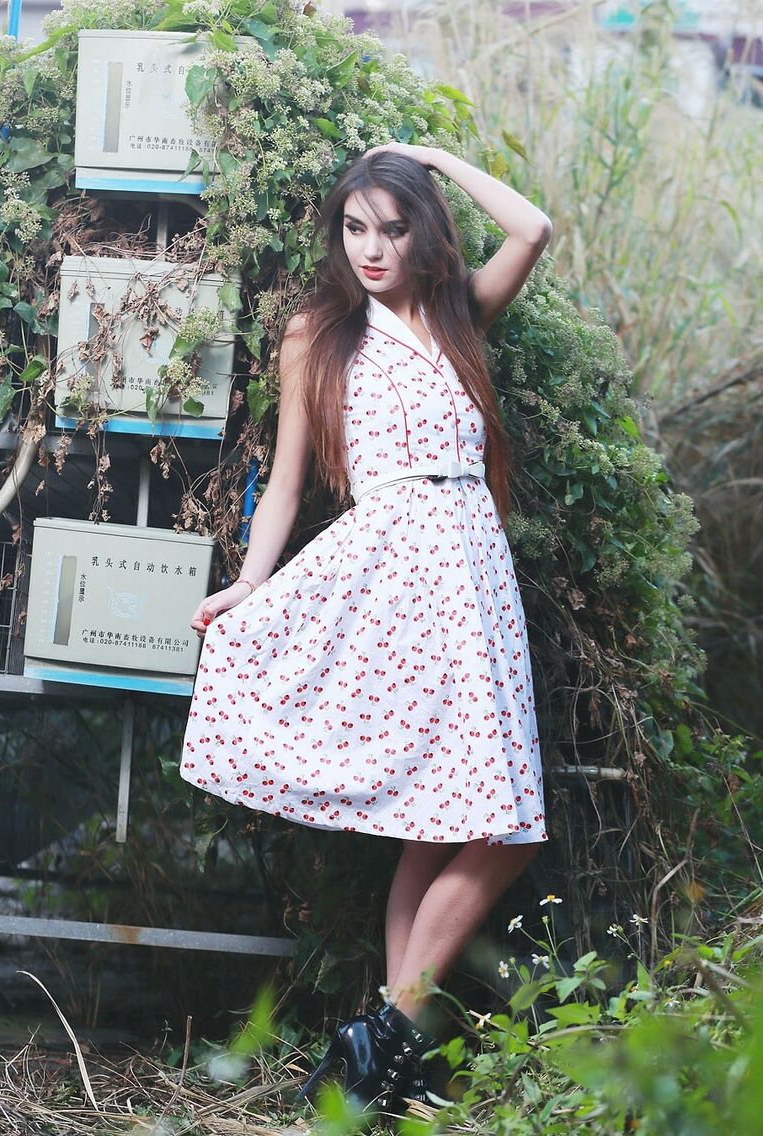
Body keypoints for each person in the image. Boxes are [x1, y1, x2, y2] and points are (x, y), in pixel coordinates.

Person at [180, 141, 552, 1115]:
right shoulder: (318, 332)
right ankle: (393, 1039)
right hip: (391, 577)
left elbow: (533, 227)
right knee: (490, 827)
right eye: (354, 228)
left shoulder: (455, 312)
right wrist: (249, 583)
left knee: (456, 828)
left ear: (422, 230)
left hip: (473, 573)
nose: (371, 248)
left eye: (391, 227)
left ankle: (385, 1052)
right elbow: (286, 483)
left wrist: (431, 157)